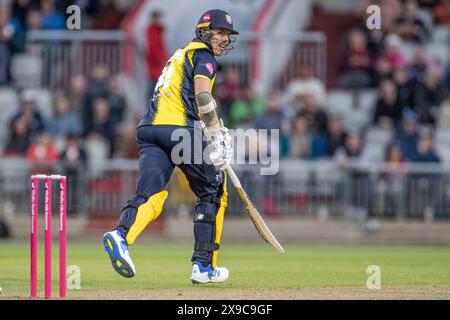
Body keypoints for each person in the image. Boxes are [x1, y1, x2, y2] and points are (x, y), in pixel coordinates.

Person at [103, 9, 239, 284]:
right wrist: (217, 133)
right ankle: (204, 266)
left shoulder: (179, 54)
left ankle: (121, 236)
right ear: (204, 31)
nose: (225, 39)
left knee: (150, 194)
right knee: (214, 189)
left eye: (228, 35)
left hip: (149, 130)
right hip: (178, 131)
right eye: (220, 32)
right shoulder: (203, 56)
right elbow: (202, 95)